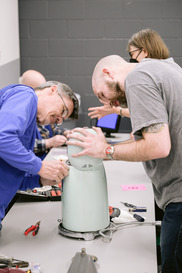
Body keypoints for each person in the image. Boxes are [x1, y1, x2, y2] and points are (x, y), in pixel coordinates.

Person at [66, 55, 182, 273]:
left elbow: (159, 146)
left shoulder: (137, 79)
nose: (109, 103)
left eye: (102, 94)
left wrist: (106, 151)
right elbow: (154, 138)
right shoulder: (160, 68)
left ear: (108, 73)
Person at [0, 80, 78, 229]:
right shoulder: (26, 95)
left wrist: (40, 180)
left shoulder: (30, 127)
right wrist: (40, 166)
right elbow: (3, 138)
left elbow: (12, 177)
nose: (58, 120)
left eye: (61, 120)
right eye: (62, 111)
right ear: (52, 90)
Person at [88, 28, 169, 120]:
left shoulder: (147, 78)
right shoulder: (167, 71)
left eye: (132, 54)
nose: (132, 60)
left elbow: (150, 114)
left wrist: (116, 110)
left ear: (145, 51)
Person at [19, 70, 71, 159]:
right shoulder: (21, 112)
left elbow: (52, 130)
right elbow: (21, 147)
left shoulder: (44, 112)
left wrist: (66, 133)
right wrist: (49, 142)